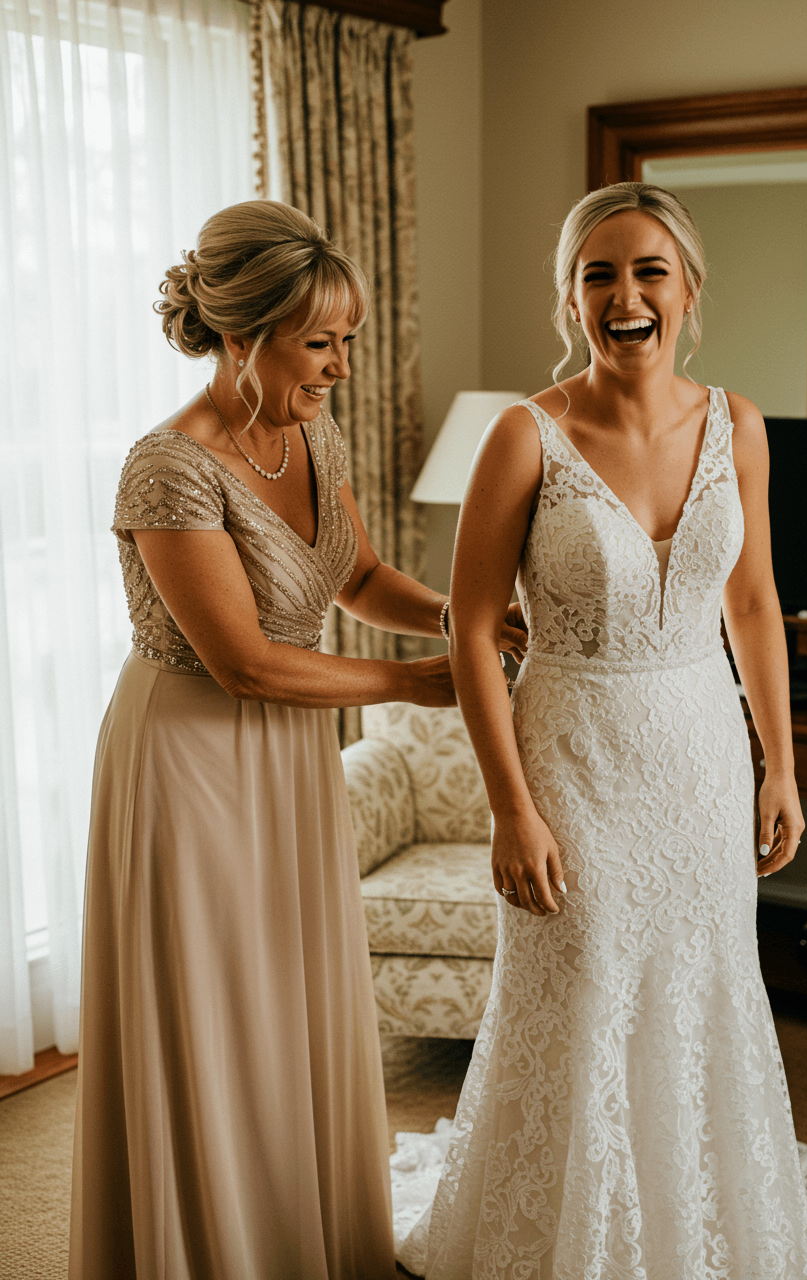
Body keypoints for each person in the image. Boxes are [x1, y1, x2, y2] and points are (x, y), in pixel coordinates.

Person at [417, 183, 807, 1278]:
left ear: (685, 288)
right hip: (571, 749)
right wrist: (507, 807)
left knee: (701, 982)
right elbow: (474, 628)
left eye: (646, 271)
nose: (622, 295)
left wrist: (780, 762)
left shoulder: (735, 423)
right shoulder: (521, 433)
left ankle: (691, 1223)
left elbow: (754, 603)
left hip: (697, 753)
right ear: (569, 297)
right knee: (582, 988)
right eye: (596, 273)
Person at [68, 198, 527, 1280]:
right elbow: (246, 661)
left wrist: (469, 617)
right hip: (191, 756)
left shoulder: (307, 430)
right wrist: (426, 681)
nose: (337, 367)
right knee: (218, 1008)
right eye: (316, 342)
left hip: (286, 754)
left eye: (346, 340)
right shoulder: (165, 467)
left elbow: (356, 576)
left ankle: (294, 1235)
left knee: (290, 1001)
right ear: (242, 334)